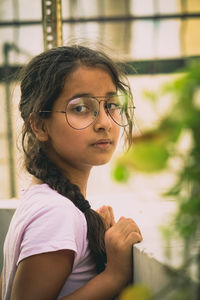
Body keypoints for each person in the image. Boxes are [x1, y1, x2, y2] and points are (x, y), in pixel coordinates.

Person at [0, 45, 142, 300]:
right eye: (80, 108)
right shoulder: (56, 214)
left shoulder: (48, 203)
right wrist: (114, 276)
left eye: (111, 104)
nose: (104, 123)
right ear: (40, 126)